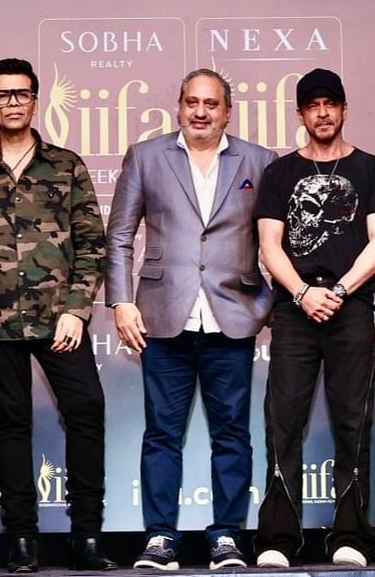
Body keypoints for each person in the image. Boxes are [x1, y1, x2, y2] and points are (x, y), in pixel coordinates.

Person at [106, 69, 275, 570]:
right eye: (192, 102)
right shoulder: (146, 156)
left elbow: (277, 241)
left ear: (227, 110)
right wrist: (121, 301)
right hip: (162, 316)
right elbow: (118, 236)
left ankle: (226, 535)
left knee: (232, 434)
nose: (201, 112)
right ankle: (160, 537)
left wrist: (262, 306)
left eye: (212, 104)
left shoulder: (261, 161)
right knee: (161, 433)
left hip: (233, 317)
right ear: (178, 106)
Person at [0, 58, 114, 573]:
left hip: (60, 321)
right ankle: (21, 538)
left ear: (35, 99)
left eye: (21, 93)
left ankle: (86, 537)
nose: (12, 102)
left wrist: (77, 310)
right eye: (2, 95)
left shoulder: (66, 165)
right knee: (11, 424)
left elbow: (94, 245)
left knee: (87, 412)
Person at [252, 68, 375, 569]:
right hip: (293, 313)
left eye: (330, 104)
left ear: (343, 109)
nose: (322, 113)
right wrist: (302, 294)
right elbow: (270, 246)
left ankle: (350, 536)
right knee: (283, 422)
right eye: (312, 106)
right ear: (301, 115)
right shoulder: (280, 174)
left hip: (351, 309)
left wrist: (336, 290)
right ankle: (278, 539)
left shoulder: (372, 170)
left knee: (353, 422)